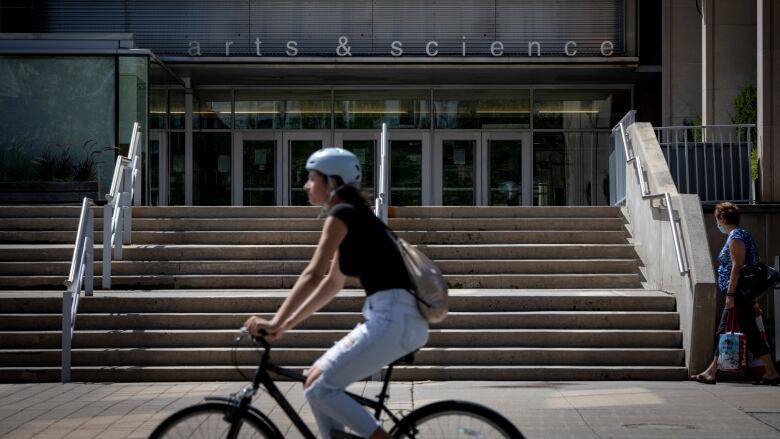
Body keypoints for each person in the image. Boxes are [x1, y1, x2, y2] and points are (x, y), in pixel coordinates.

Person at [243, 147, 429, 439]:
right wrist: (287, 325)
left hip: (393, 318)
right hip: (395, 317)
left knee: (319, 387)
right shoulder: (357, 217)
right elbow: (332, 283)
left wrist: (275, 322)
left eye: (311, 177)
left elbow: (313, 274)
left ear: (331, 182)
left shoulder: (343, 213)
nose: (306, 185)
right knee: (314, 379)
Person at [690, 202, 780, 385]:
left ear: (723, 219)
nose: (718, 224)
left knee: (747, 332)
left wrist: (730, 295)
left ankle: (770, 372)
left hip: (738, 294)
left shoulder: (736, 236)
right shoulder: (739, 234)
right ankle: (712, 371)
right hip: (740, 294)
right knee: (726, 329)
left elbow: (737, 266)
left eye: (718, 219)